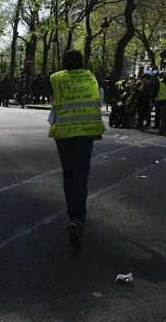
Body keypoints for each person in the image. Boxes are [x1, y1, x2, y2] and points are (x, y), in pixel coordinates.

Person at [48, 50, 105, 248]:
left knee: (69, 175)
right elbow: (99, 102)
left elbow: (54, 107)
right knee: (81, 176)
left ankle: (72, 215)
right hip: (85, 133)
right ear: (82, 63)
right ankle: (78, 218)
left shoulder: (56, 79)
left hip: (63, 134)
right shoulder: (92, 78)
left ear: (64, 63)